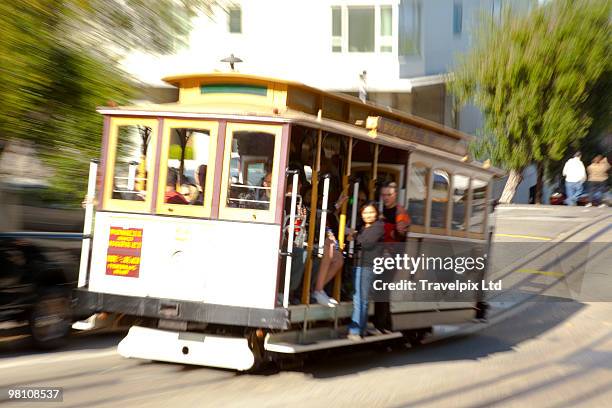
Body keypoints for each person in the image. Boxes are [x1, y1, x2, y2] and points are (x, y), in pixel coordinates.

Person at [375, 181, 410, 333]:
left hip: (392, 255)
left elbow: (401, 234)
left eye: (389, 195)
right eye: (383, 195)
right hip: (380, 254)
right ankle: (386, 325)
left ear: (395, 195)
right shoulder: (380, 209)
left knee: (382, 288)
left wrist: (396, 231)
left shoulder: (399, 212)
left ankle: (381, 324)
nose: (386, 198)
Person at [346, 202, 384, 340]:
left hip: (367, 266)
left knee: (360, 299)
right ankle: (360, 329)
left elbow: (367, 243)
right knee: (361, 299)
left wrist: (355, 236)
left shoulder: (378, 227)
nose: (368, 215)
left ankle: (355, 330)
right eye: (365, 213)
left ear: (376, 213)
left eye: (371, 212)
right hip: (360, 264)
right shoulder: (363, 228)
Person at [312, 188, 349, 307]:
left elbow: (337, 230)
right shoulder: (321, 212)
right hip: (313, 242)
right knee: (329, 248)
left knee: (339, 259)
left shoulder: (334, 217)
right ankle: (317, 290)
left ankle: (318, 290)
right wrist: (337, 205)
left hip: (326, 244)